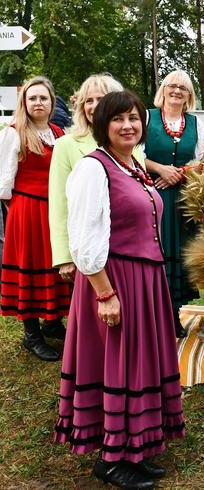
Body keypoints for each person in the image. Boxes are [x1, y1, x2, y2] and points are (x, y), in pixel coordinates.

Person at [54, 91, 185, 490]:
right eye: (118, 119)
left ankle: (134, 449)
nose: (128, 125)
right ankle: (111, 460)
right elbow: (83, 237)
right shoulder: (94, 169)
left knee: (138, 363)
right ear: (101, 125)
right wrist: (105, 293)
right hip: (115, 280)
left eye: (133, 118)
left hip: (144, 281)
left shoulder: (132, 166)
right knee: (118, 364)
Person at [0, 76, 71, 361]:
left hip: (55, 210)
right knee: (29, 265)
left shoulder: (58, 133)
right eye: (32, 98)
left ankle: (52, 322)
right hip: (27, 211)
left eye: (43, 98)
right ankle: (32, 335)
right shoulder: (14, 131)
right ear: (24, 103)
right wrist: (19, 211)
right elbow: (4, 182)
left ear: (52, 102)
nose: (38, 102)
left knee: (55, 265)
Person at [50, 73, 131, 283]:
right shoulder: (66, 145)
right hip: (88, 249)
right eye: (88, 100)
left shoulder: (132, 144)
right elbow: (59, 204)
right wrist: (64, 257)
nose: (94, 106)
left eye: (101, 99)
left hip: (127, 249)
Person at [144, 70, 204, 338]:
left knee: (178, 253)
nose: (177, 91)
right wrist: (161, 169)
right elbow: (133, 152)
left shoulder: (194, 123)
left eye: (183, 87)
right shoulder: (147, 117)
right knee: (154, 251)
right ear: (164, 90)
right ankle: (150, 314)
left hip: (181, 199)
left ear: (189, 94)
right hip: (150, 196)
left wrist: (178, 173)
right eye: (172, 86)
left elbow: (203, 159)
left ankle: (173, 314)